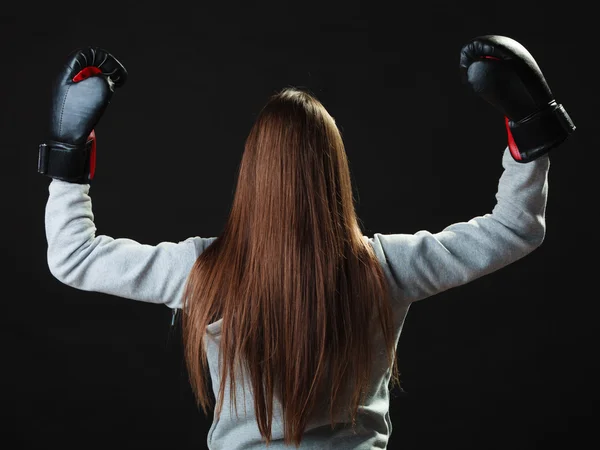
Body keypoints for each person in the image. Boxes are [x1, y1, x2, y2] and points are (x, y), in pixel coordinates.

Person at [39, 36, 574, 449]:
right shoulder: (385, 268)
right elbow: (514, 228)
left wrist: (69, 154)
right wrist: (530, 129)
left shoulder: (202, 269)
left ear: (251, 175)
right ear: (334, 173)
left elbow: (73, 257)